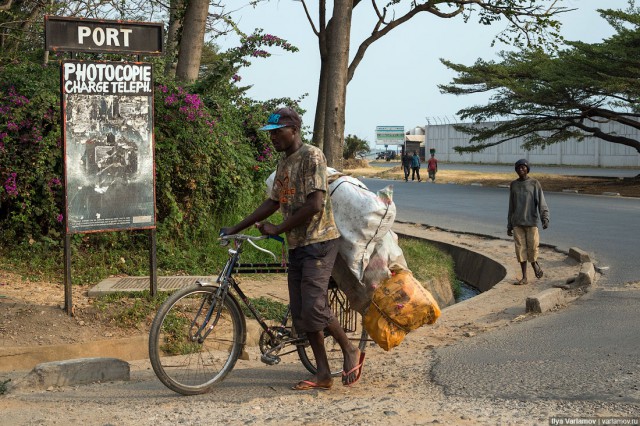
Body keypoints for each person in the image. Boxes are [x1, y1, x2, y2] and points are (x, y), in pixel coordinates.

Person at [221, 107, 364, 390]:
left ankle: (348, 348)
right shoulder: (283, 165)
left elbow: (315, 204)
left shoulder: (312, 156)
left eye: (277, 132)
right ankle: (322, 373)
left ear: (294, 131)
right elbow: (273, 203)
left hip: (320, 242)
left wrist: (277, 229)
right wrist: (237, 228)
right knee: (301, 315)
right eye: (270, 133)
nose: (272, 138)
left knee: (313, 307)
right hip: (298, 246)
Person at [507, 159, 550, 285]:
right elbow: (511, 205)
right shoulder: (513, 185)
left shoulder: (534, 183)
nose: (521, 169)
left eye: (523, 167)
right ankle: (524, 277)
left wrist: (545, 218)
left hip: (531, 222)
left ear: (527, 169)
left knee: (533, 247)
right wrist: (509, 224)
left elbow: (541, 202)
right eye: (518, 167)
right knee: (520, 250)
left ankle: (534, 264)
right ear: (516, 170)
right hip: (517, 223)